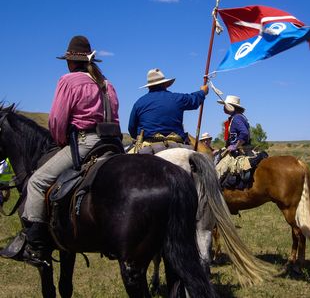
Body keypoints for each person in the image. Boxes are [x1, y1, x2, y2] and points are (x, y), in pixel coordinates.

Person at [19, 35, 120, 266]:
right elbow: (115, 117)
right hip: (112, 142)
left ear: (70, 61)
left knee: (36, 182)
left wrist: (61, 140)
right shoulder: (108, 84)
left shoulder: (69, 80)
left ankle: (35, 246)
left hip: (85, 143)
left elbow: (57, 119)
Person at [128, 68, 208, 147]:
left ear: (149, 87)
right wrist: (202, 92)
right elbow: (194, 100)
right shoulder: (177, 98)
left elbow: (132, 128)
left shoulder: (139, 103)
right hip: (176, 145)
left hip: (147, 146)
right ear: (165, 84)